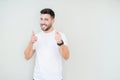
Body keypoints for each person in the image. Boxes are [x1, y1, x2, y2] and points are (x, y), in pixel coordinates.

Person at [24, 8, 70, 80]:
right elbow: (27, 57)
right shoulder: (37, 37)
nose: (43, 22)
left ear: (53, 21)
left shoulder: (60, 35)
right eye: (41, 19)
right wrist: (31, 42)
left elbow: (66, 57)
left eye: (46, 19)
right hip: (38, 78)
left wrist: (60, 43)